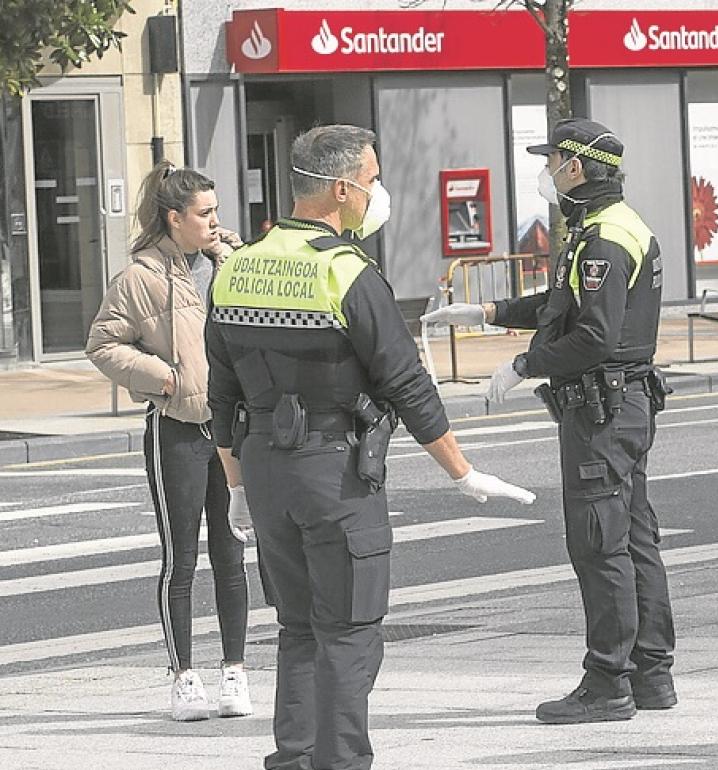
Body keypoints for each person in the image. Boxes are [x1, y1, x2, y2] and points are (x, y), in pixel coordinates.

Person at [205, 124, 535, 770]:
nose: (376, 192)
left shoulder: (234, 269)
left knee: (297, 629)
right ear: (340, 189)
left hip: (267, 475)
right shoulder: (348, 274)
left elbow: (221, 399)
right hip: (334, 475)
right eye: (371, 179)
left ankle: (294, 758)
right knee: (350, 633)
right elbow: (407, 385)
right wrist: (462, 473)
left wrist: (238, 490)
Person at [421, 117, 676, 725]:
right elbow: (560, 304)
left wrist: (522, 365)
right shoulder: (605, 226)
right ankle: (651, 674)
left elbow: (591, 335)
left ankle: (606, 683)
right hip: (621, 404)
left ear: (576, 168)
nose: (546, 169)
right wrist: (487, 310)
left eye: (553, 159)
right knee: (634, 537)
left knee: (598, 543)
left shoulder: (604, 239)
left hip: (602, 409)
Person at [86, 160, 253, 722]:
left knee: (232, 551)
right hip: (175, 428)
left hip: (230, 427)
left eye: (216, 211)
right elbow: (103, 344)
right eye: (204, 213)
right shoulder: (139, 277)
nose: (215, 221)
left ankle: (236, 670)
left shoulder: (230, 262)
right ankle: (184, 676)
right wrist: (163, 376)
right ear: (174, 217)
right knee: (179, 558)